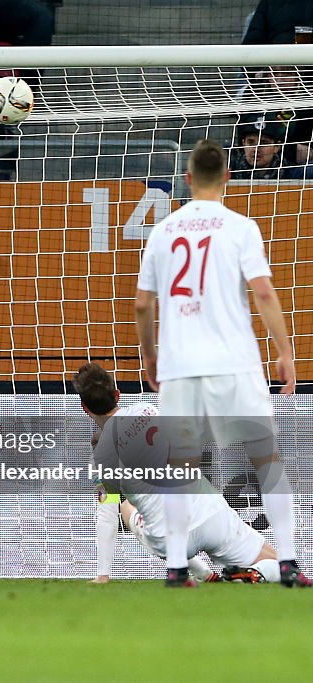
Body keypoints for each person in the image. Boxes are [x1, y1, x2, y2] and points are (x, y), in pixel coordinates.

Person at [135, 139, 309, 588]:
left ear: (187, 179)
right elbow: (265, 293)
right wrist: (285, 351)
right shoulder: (241, 227)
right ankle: (287, 561)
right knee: (265, 457)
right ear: (228, 177)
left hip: (180, 364)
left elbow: (141, 304)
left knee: (181, 466)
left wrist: (150, 355)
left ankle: (176, 567)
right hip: (235, 360)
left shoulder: (164, 230)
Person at [73, 363, 283, 587]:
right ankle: (254, 575)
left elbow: (106, 515)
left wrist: (103, 575)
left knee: (124, 507)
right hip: (211, 515)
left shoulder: (101, 458)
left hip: (171, 539)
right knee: (276, 563)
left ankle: (196, 573)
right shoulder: (148, 410)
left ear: (85, 408)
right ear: (117, 394)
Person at [230, 113, 287, 180]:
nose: (256, 149)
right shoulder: (228, 173)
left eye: (264, 143)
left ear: (277, 147)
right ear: (243, 144)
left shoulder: (293, 174)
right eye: (250, 142)